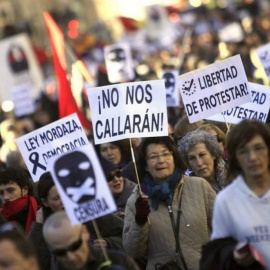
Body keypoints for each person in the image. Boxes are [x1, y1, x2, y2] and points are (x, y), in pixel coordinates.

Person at [123, 136, 216, 270]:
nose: (161, 161)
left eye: (166, 154)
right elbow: (132, 251)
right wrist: (140, 221)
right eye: (153, 156)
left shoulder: (199, 186)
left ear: (174, 158)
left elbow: (223, 228)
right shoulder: (136, 201)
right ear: (145, 165)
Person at [28, 171, 125, 270]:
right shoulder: (41, 228)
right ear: (45, 202)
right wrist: (38, 226)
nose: (64, 201)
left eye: (67, 194)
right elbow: (33, 262)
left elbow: (128, 236)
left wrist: (109, 243)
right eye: (57, 198)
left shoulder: (91, 212)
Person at [207, 120, 270, 269]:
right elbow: (218, 253)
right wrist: (234, 255)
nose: (253, 157)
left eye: (258, 148)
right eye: (244, 151)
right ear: (235, 158)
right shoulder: (226, 200)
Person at [43, 211, 139, 270]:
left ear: (85, 232)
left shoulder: (119, 261)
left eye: (75, 246)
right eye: (60, 252)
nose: (70, 257)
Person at [0, 167, 37, 235]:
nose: (5, 197)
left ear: (25, 190)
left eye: (10, 190)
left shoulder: (40, 214)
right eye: (1, 193)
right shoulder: (2, 219)